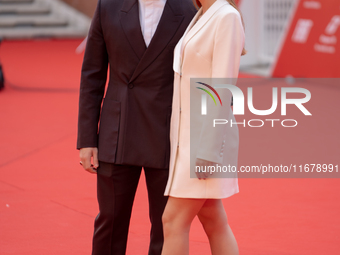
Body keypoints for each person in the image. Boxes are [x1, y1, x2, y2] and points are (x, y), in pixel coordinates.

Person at [77, 0, 196, 254]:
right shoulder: (108, 6)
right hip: (117, 131)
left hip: (167, 134)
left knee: (167, 226)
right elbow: (92, 75)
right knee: (109, 221)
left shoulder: (188, 10)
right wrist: (87, 139)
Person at [161, 0, 246, 254]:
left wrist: (209, 151)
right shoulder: (201, 14)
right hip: (188, 139)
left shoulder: (226, 17)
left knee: (173, 220)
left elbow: (222, 87)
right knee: (214, 221)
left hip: (204, 143)